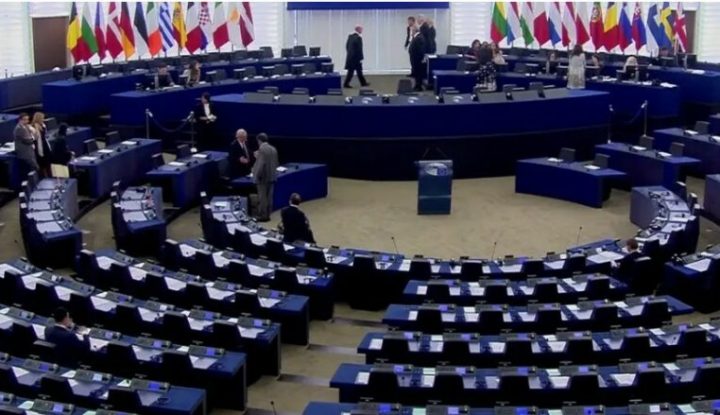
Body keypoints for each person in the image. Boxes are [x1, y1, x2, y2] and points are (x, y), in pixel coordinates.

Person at [252, 133, 279, 222]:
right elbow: (276, 163)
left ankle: (262, 216)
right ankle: (268, 214)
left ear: (259, 140)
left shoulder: (262, 149)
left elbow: (261, 165)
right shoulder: (273, 149)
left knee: (262, 198)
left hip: (263, 178)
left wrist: (256, 176)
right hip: (272, 177)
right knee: (269, 197)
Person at [30, 112, 52, 178]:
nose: (43, 119)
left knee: (48, 163)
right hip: (38, 146)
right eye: (42, 118)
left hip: (45, 145)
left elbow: (45, 134)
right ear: (38, 118)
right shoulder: (33, 127)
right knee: (41, 164)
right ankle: (43, 177)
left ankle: (49, 177)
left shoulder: (43, 125)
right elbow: (34, 138)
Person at [408, 25, 426, 92]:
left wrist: (420, 58)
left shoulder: (419, 38)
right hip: (414, 58)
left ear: (414, 30)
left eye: (412, 31)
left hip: (417, 59)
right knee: (416, 73)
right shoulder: (416, 37)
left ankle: (418, 87)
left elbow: (420, 50)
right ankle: (416, 85)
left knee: (418, 73)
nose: (411, 32)